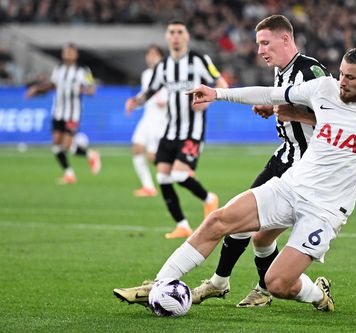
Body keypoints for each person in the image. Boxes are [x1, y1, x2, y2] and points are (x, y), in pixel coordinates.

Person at [113, 38, 356, 313]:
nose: (342, 81)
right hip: (290, 187)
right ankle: (161, 283)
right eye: (342, 73)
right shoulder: (324, 88)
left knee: (277, 283)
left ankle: (318, 294)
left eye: (351, 78)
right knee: (217, 221)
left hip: (325, 210)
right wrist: (218, 94)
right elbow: (269, 92)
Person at [191, 14, 329, 308]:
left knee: (253, 231)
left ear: (285, 39)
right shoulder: (282, 71)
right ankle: (227, 283)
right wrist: (274, 108)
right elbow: (288, 104)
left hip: (305, 167)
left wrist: (296, 114)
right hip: (283, 156)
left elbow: (338, 119)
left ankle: (244, 285)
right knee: (245, 225)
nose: (260, 50)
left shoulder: (311, 71)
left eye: (265, 43)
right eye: (258, 44)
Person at [125, 20, 228, 239]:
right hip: (170, 131)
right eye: (171, 32)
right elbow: (151, 90)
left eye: (180, 32)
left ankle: (209, 198)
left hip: (192, 131)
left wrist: (209, 101)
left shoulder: (199, 60)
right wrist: (136, 101)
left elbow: (222, 84)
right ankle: (182, 225)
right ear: (167, 37)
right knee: (162, 178)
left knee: (180, 174)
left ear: (187, 36)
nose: (175, 36)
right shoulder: (163, 66)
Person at [26, 43, 101, 184]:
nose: (68, 54)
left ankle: (91, 154)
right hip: (58, 112)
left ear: (76, 54)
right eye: (66, 52)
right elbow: (52, 85)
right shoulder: (58, 69)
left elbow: (92, 89)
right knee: (56, 144)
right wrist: (36, 89)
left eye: (71, 52)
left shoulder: (84, 70)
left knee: (66, 146)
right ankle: (69, 174)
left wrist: (84, 90)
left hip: (73, 113)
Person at [127, 45, 168, 197]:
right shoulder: (146, 74)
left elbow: (176, 93)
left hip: (161, 119)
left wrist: (167, 101)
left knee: (152, 157)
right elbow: (145, 93)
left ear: (161, 56)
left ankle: (178, 172)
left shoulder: (167, 73)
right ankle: (148, 187)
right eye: (149, 54)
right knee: (137, 147)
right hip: (147, 117)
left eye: (154, 54)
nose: (151, 57)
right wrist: (134, 102)